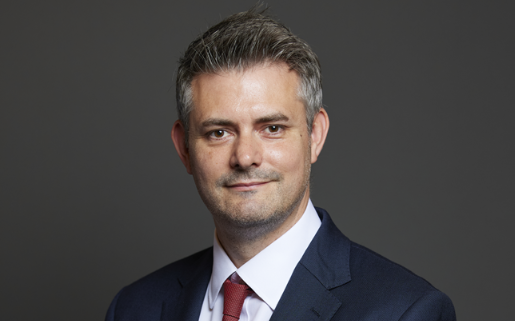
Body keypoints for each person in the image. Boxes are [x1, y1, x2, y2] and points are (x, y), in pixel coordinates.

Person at [105, 6, 456, 321]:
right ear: (183, 148)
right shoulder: (135, 308)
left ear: (315, 134)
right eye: (219, 132)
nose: (245, 157)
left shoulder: (406, 311)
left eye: (272, 128)